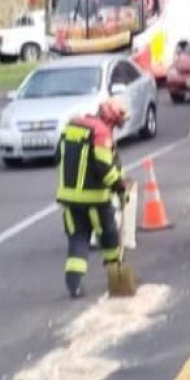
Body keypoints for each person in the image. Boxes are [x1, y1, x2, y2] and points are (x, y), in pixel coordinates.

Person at [55, 98, 132, 298]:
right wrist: (120, 185)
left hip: (69, 199)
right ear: (110, 119)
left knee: (78, 238)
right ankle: (116, 276)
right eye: (116, 123)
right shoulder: (101, 133)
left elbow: (58, 157)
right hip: (95, 199)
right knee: (109, 236)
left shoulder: (72, 127)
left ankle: (74, 284)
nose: (116, 128)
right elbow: (103, 166)